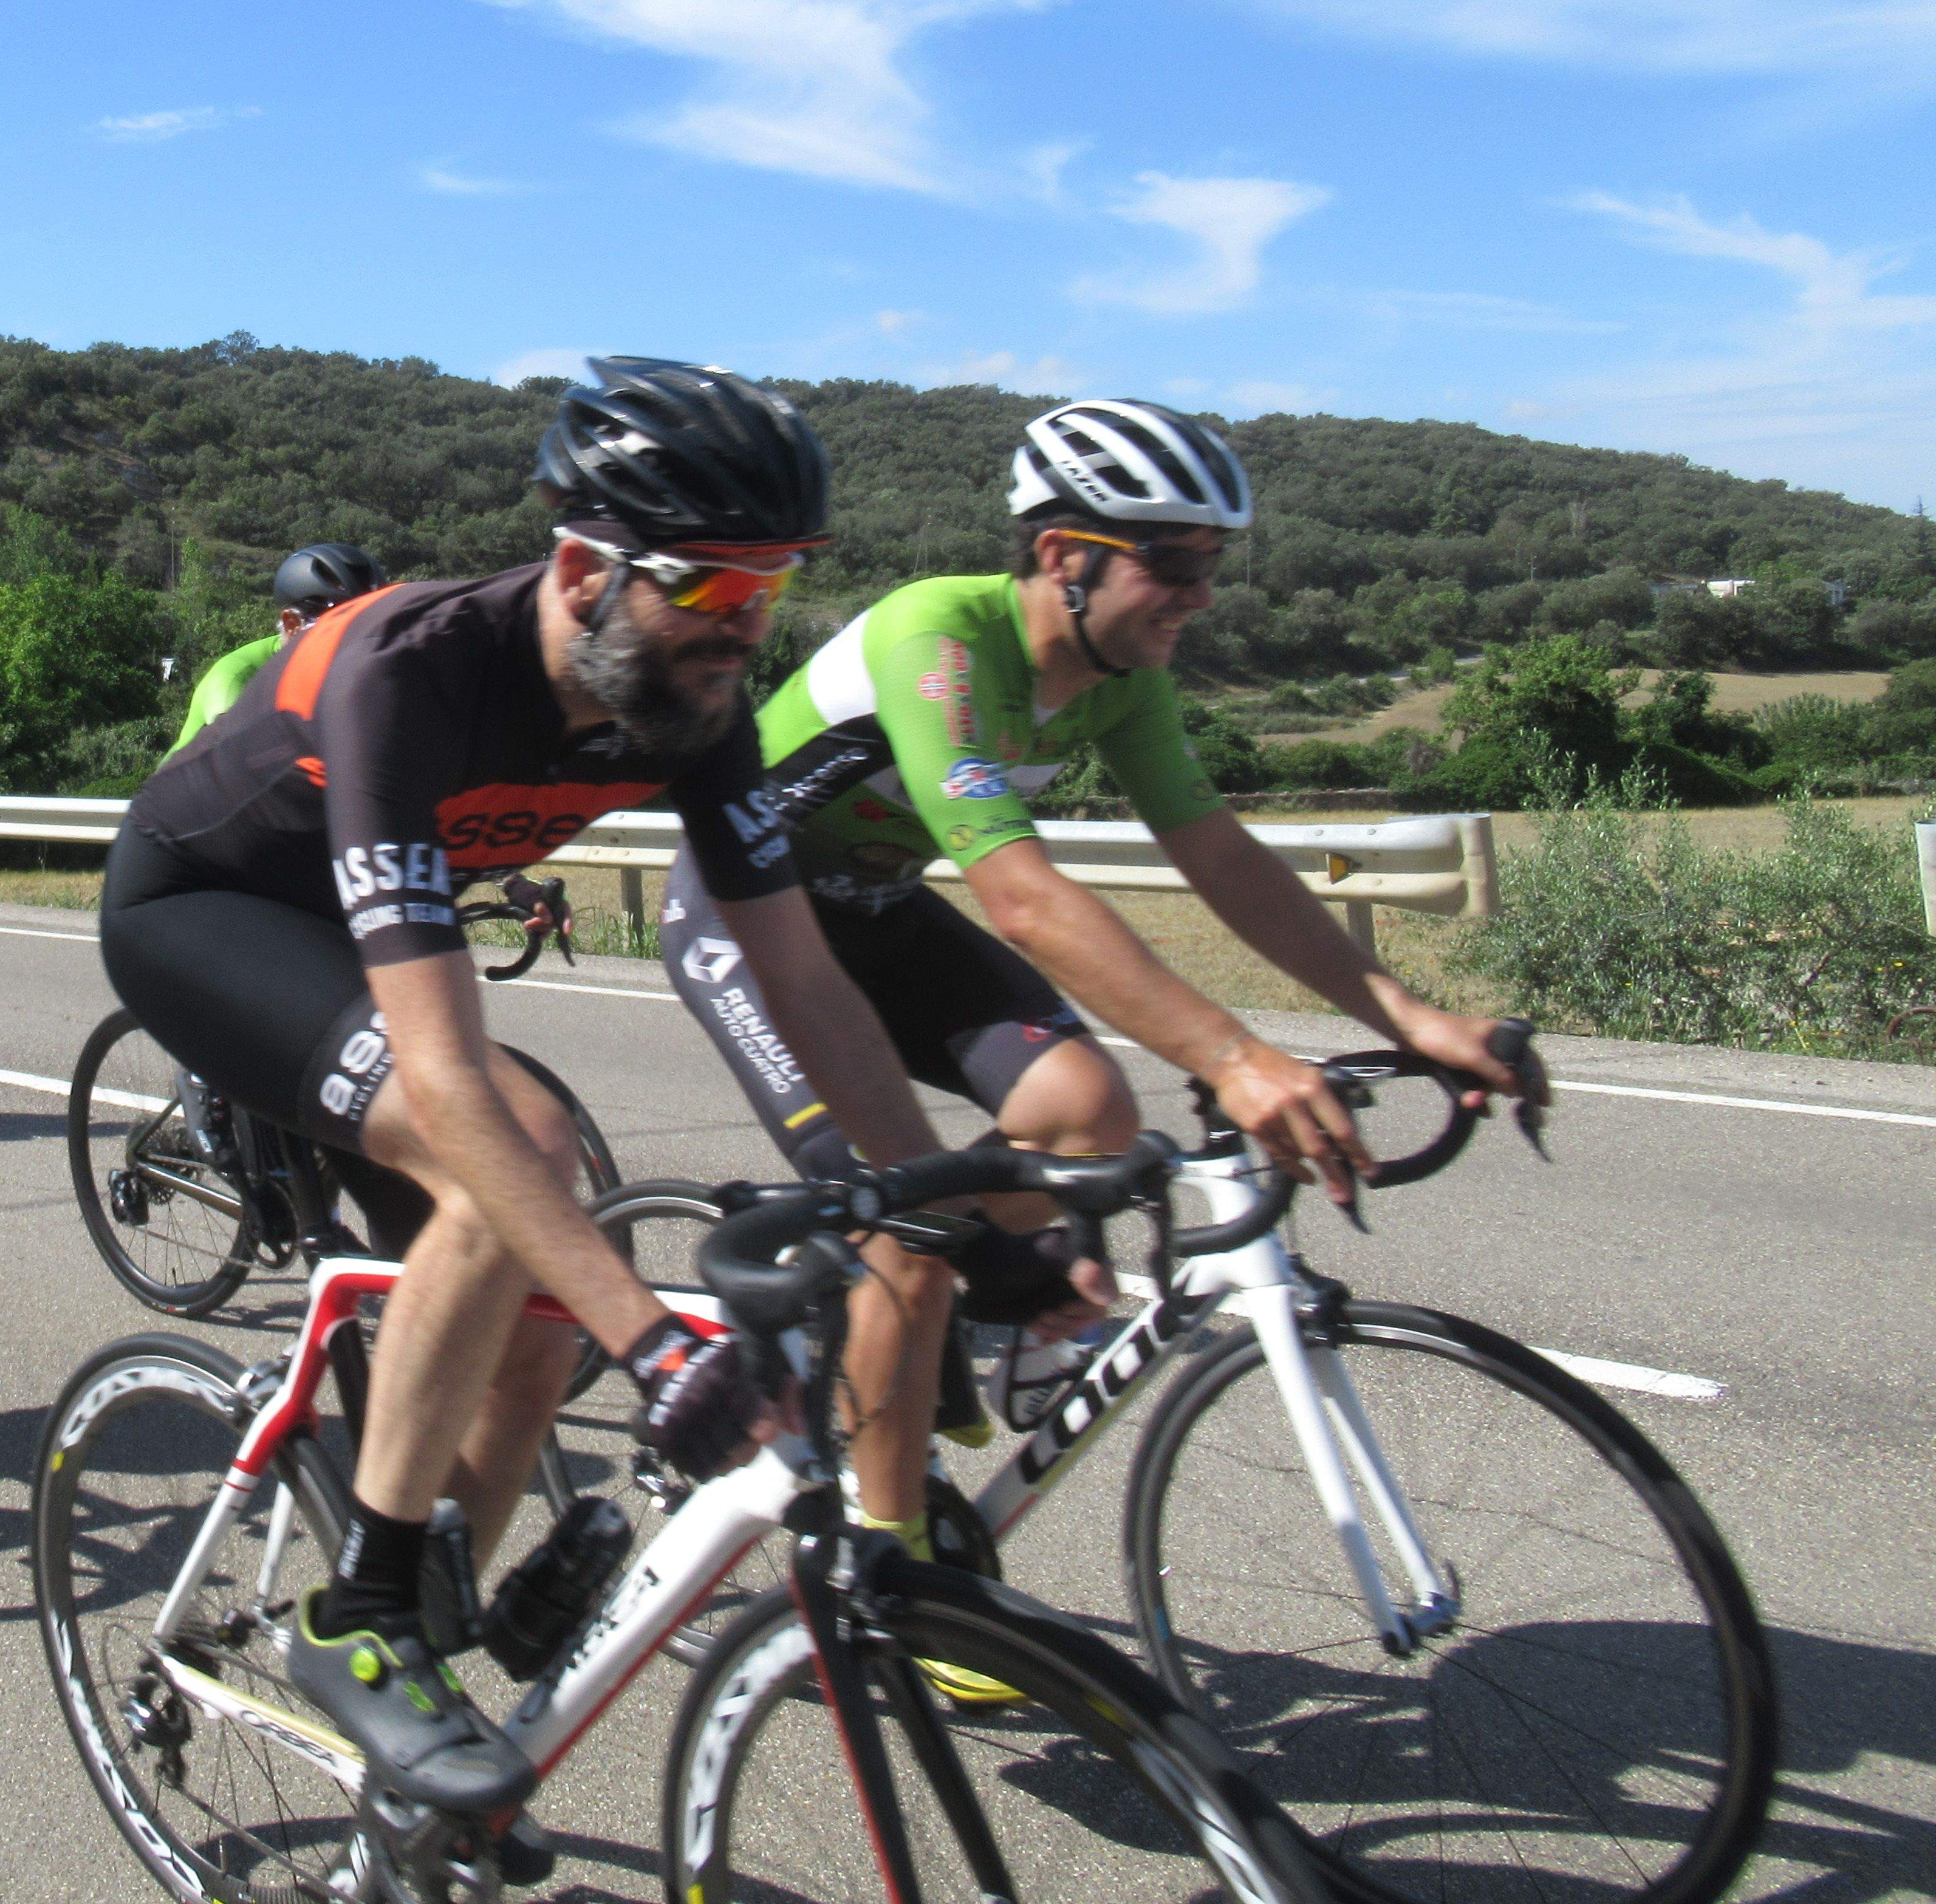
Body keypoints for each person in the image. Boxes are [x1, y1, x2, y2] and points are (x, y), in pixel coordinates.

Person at [100, 358, 968, 1815]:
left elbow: (802, 981)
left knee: (525, 1308)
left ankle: (432, 1606)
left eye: (768, 591)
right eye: (707, 590)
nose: (741, 629)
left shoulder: (690, 702)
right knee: (520, 1153)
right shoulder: (413, 670)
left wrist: (933, 1205)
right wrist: (659, 1351)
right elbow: (444, 1079)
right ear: (581, 566)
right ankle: (362, 1619)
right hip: (212, 912)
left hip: (374, 928)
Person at [660, 396, 1545, 1543]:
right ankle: (896, 1567)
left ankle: (977, 1319)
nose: (1199, 593)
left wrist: (1405, 1011)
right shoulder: (931, 633)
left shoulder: (1125, 680)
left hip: (872, 913)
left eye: (1212, 563)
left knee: (1085, 1106)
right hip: (748, 921)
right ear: (1060, 554)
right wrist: (1230, 1057)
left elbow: (1220, 855)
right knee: (914, 1229)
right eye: (1171, 561)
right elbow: (1021, 896)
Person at [163, 542, 386, 759]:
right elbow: (242, 762)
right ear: (292, 625)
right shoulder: (236, 679)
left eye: (368, 624)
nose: (357, 641)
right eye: (342, 626)